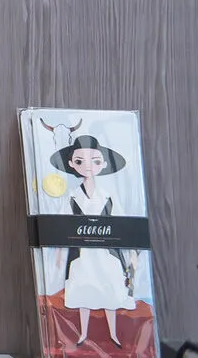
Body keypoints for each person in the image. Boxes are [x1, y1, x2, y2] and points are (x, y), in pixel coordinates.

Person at [52, 136, 137, 346]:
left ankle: (114, 334)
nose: (88, 166)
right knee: (83, 291)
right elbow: (62, 227)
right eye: (80, 161)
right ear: (71, 164)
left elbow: (124, 227)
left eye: (96, 161)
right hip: (82, 254)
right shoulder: (71, 197)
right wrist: (60, 255)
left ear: (104, 164)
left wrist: (131, 254)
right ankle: (82, 334)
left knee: (109, 290)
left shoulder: (109, 196)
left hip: (107, 253)